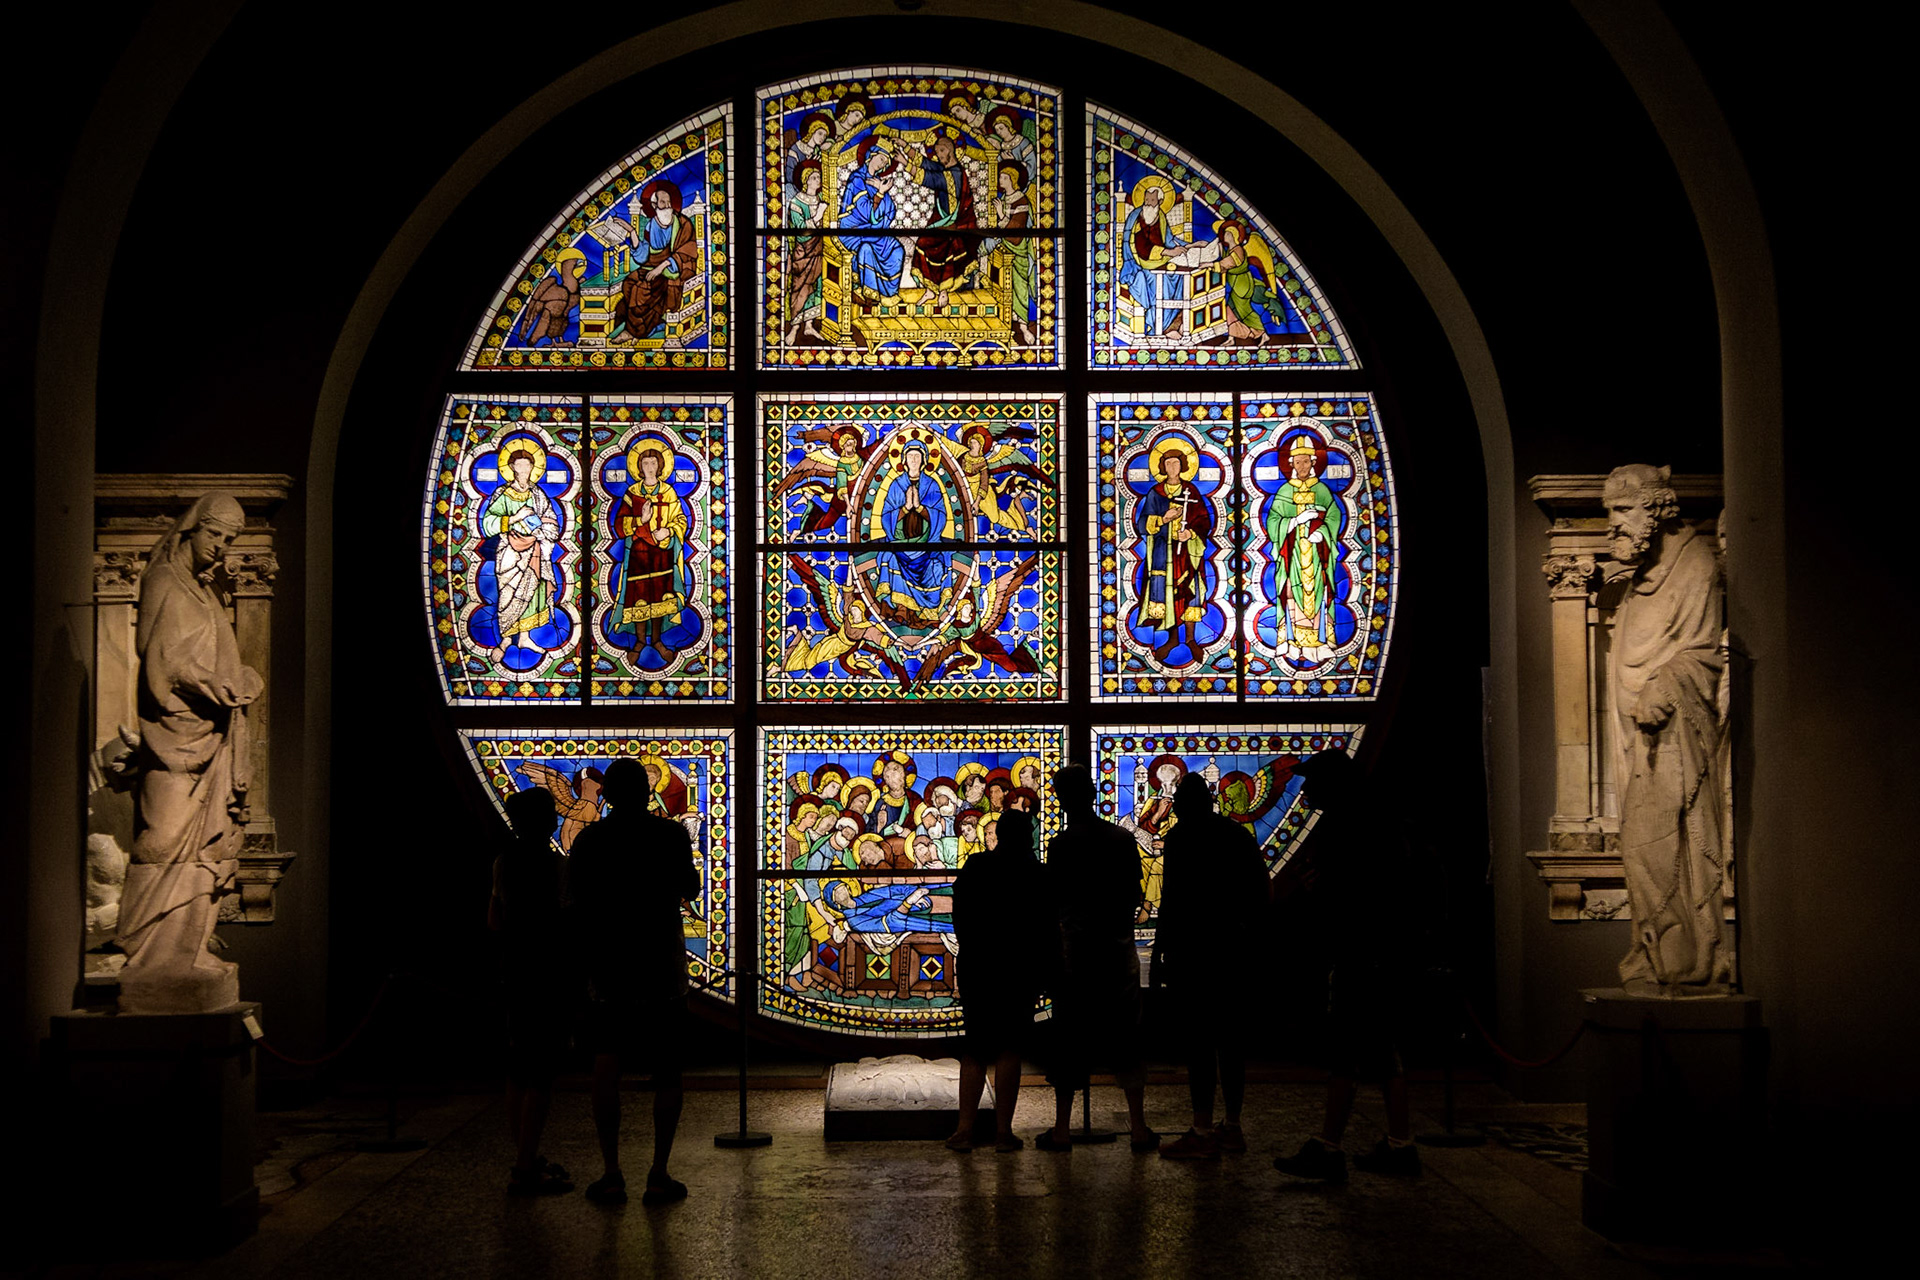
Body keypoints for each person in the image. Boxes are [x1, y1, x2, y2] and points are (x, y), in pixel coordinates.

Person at [115, 493, 261, 1014]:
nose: (220, 547)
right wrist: (209, 682)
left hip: (212, 735)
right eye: (214, 534)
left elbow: (220, 659)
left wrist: (240, 677)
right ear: (191, 529)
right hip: (174, 737)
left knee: (206, 849)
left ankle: (188, 953)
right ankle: (150, 959)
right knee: (163, 839)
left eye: (229, 539)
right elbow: (159, 658)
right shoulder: (163, 580)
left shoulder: (205, 593)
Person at [1604, 464, 1732, 990]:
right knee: (1640, 849)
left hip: (1676, 735)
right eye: (1610, 510)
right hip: (1638, 742)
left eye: (1622, 509)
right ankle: (1657, 951)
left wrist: (1665, 683)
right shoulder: (1639, 581)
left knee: (1657, 845)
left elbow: (1705, 655)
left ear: (1656, 510)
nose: (1612, 522)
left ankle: (1687, 957)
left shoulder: (1696, 566)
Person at [1272, 749, 1420, 1181]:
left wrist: (1315, 889)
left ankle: (1329, 1148)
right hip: (1383, 955)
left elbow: (1346, 899)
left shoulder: (1344, 829)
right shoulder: (1380, 824)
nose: (1304, 790)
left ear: (1332, 787)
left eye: (1311, 782)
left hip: (1359, 956)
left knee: (1345, 1052)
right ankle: (1400, 1144)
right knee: (1382, 1052)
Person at [567, 757, 700, 1205]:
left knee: (606, 1066)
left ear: (606, 796)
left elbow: (576, 903)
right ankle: (659, 1173)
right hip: (662, 965)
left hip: (610, 966)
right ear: (647, 793)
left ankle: (611, 1173)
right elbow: (691, 888)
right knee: (668, 1070)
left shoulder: (590, 841)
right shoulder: (670, 835)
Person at [1037, 766, 1157, 1153]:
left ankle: (1061, 1129)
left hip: (1076, 955)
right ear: (1092, 795)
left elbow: (1052, 901)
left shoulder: (1061, 846)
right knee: (1127, 1037)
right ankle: (1138, 1127)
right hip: (1117, 950)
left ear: (1062, 801)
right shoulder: (1121, 839)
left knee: (1070, 1040)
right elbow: (1134, 893)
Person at [1151, 773, 1267, 1158]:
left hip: (1192, 955)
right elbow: (1259, 894)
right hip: (1232, 952)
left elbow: (1172, 900)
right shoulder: (1237, 836)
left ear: (1183, 806)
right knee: (1231, 1044)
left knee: (1199, 1044)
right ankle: (1232, 1126)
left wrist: (1160, 953)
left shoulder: (1180, 839)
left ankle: (1201, 1130)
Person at [489, 787, 574, 1196]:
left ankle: (525, 1155)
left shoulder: (503, 863)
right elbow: (568, 923)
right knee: (542, 1071)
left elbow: (494, 920)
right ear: (549, 822)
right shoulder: (558, 868)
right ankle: (525, 1167)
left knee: (518, 1067)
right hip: (549, 975)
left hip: (514, 971)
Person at [947, 807, 1046, 1153]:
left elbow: (960, 916)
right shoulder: (1035, 873)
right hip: (1019, 970)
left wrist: (972, 949)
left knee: (975, 1046)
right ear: (1026, 837)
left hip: (978, 967)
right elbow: (1044, 926)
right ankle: (1003, 1132)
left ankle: (964, 1130)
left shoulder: (976, 866)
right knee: (1009, 1047)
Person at [1132, 433, 1215, 666]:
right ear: (1162, 467)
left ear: (1183, 466)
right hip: (1162, 554)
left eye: (1176, 463)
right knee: (1166, 593)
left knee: (1190, 591)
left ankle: (1191, 639)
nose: (1172, 467)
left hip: (1188, 554)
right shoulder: (1155, 493)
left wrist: (1191, 534)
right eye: (1168, 463)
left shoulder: (1191, 491)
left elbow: (1204, 521)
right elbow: (1142, 524)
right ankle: (1172, 639)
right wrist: (1163, 519)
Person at [1266, 429, 1346, 666]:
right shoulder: (1284, 491)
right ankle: (1292, 642)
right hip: (1291, 555)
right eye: (1298, 462)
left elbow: (1334, 515)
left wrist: (1322, 533)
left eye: (1306, 461)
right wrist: (1294, 521)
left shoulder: (1322, 490)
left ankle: (1319, 643)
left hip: (1317, 554)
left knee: (1320, 594)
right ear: (1292, 464)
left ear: (1313, 463)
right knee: (1290, 594)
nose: (1302, 466)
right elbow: (1273, 521)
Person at [478, 437, 560, 664]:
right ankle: (505, 640)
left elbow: (551, 520)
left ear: (533, 468)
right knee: (508, 594)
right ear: (512, 467)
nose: (524, 469)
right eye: (520, 465)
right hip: (510, 552)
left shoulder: (538, 494)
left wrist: (542, 528)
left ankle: (524, 638)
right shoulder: (502, 493)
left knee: (532, 593)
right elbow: (488, 523)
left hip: (534, 549)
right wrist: (515, 517)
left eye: (528, 465)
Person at [610, 439, 691, 666]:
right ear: (639, 467)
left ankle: (656, 640)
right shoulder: (632, 493)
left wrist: (669, 530)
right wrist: (641, 520)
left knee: (659, 597)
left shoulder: (668, 492)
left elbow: (681, 520)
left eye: (653, 463)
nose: (649, 467)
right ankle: (639, 641)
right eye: (645, 463)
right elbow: (619, 525)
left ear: (660, 465)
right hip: (638, 553)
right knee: (639, 598)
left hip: (662, 554)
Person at [616, 178, 699, 342]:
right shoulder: (651, 225)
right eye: (663, 202)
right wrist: (632, 232)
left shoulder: (683, 224)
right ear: (654, 205)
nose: (667, 206)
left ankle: (635, 332)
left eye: (669, 202)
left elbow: (687, 251)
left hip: (672, 271)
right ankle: (653, 324)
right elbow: (643, 256)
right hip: (650, 267)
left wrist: (661, 268)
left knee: (641, 290)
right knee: (629, 283)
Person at [911, 134, 977, 309]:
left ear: (949, 150)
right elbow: (928, 165)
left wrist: (906, 165)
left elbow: (931, 179)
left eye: (941, 151)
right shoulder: (947, 167)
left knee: (945, 251)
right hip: (941, 220)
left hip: (954, 224)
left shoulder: (954, 174)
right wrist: (906, 149)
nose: (938, 154)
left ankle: (943, 291)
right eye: (937, 151)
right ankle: (931, 289)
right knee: (923, 245)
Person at [1119, 176, 1189, 337]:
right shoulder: (1136, 217)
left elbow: (1169, 240)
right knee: (1155, 280)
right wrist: (1168, 252)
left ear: (1160, 201)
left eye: (1152, 200)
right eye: (1146, 199)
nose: (1148, 203)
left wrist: (1188, 246)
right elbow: (1141, 246)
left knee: (1177, 277)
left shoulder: (1161, 217)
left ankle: (1169, 324)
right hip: (1138, 263)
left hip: (1161, 261)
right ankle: (1155, 325)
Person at [840, 135, 904, 298]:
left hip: (874, 231)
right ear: (871, 155)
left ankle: (889, 294)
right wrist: (880, 193)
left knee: (897, 249)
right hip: (853, 232)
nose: (882, 164)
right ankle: (870, 293)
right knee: (866, 249)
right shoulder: (857, 179)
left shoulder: (877, 182)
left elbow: (890, 211)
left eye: (886, 163)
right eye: (882, 159)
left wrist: (882, 192)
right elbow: (866, 212)